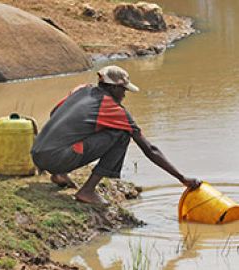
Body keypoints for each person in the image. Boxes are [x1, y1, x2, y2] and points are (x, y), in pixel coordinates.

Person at [31, 65, 201, 205]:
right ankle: (87, 191)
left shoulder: (81, 90)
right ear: (113, 87)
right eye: (123, 90)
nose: (124, 95)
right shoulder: (113, 109)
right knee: (121, 135)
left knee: (80, 136)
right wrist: (182, 178)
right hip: (56, 157)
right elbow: (150, 149)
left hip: (38, 154)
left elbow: (55, 112)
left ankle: (59, 173)